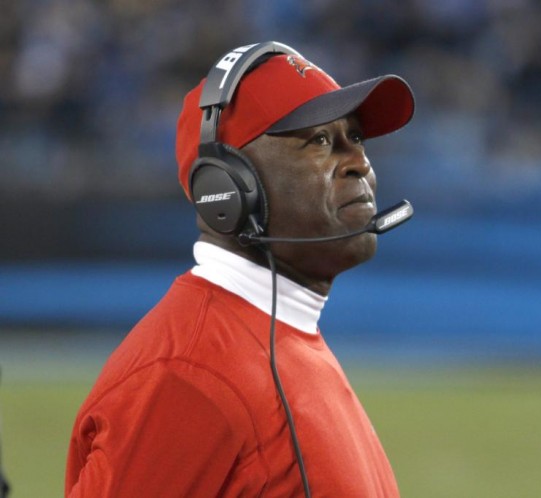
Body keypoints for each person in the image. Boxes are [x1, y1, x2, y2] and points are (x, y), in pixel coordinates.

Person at [65, 41, 414, 497]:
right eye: (321, 140)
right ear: (227, 187)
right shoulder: (184, 377)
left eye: (358, 138)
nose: (360, 164)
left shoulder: (285, 333)